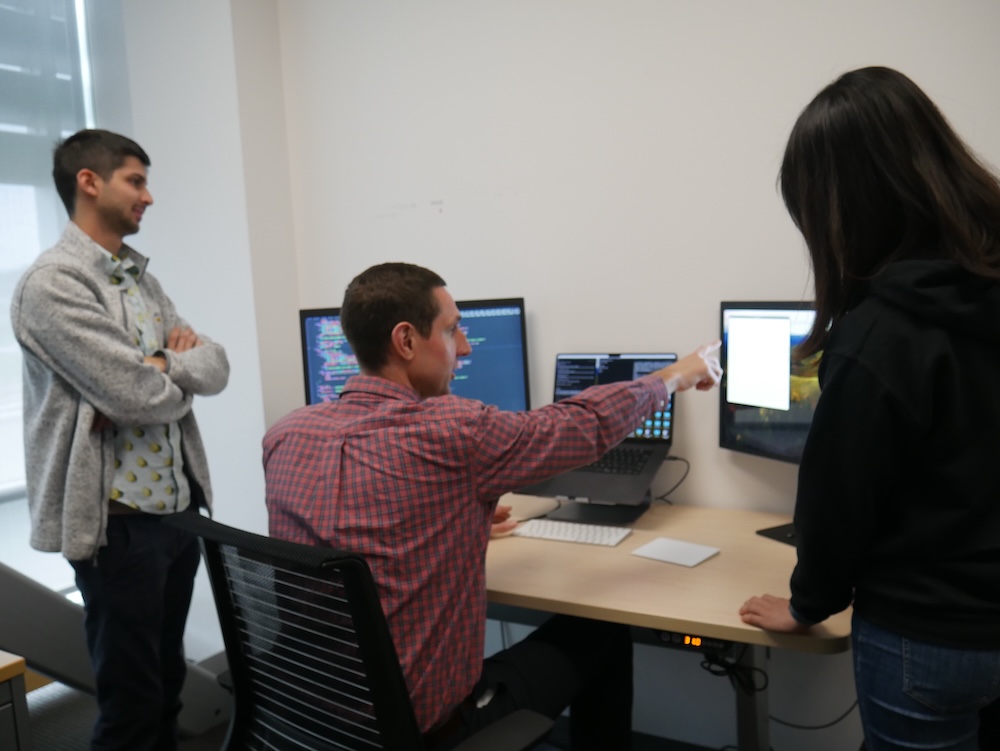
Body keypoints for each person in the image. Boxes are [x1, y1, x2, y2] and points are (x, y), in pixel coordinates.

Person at [264, 262, 721, 750]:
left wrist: (458, 523)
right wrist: (674, 376)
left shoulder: (286, 436)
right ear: (406, 341)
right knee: (602, 631)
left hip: (303, 715)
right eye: (452, 329)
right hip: (423, 731)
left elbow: (351, 538)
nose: (463, 347)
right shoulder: (451, 432)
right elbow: (580, 426)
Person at [738, 67, 1000, 751]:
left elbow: (838, 501)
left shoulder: (882, 336)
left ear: (845, 210)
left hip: (927, 634)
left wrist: (806, 604)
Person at [10, 129, 230, 751]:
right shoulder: (53, 284)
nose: (149, 197)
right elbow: (133, 394)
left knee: (166, 688)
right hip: (117, 526)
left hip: (178, 515)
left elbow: (214, 365)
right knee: (131, 708)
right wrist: (152, 375)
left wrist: (155, 370)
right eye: (135, 180)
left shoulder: (140, 281)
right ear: (89, 181)